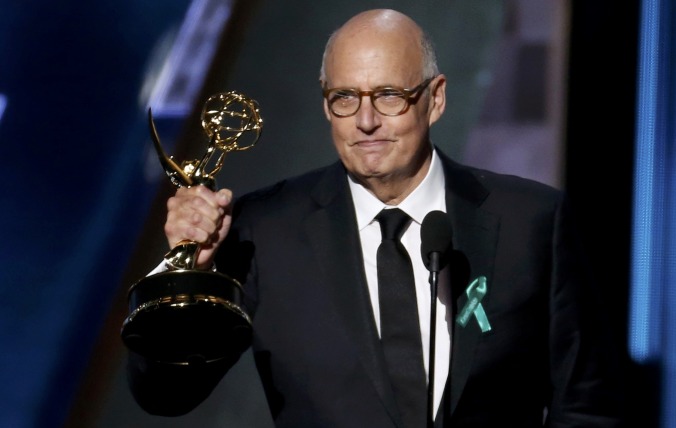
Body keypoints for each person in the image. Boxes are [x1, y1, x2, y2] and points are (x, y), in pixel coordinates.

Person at [127, 8, 625, 428]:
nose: (366, 121)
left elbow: (588, 404)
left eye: (389, 95)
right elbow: (166, 394)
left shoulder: (531, 220)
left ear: (436, 99)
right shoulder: (262, 230)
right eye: (345, 98)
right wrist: (193, 277)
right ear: (326, 104)